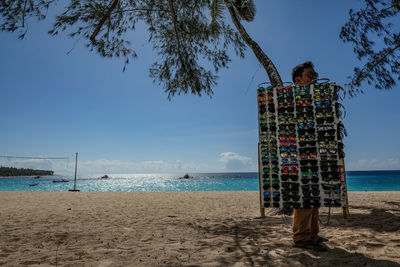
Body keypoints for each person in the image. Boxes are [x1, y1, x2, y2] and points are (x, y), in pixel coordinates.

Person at [291, 61, 328, 252]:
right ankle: (302, 239)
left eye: (315, 73)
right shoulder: (291, 97)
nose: (313, 76)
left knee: (314, 197)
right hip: (299, 154)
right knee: (304, 198)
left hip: (312, 152)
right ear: (299, 78)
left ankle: (313, 235)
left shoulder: (313, 97)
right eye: (309, 74)